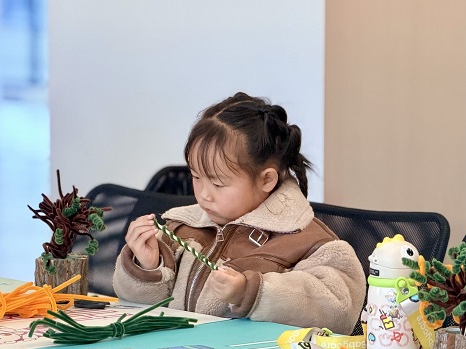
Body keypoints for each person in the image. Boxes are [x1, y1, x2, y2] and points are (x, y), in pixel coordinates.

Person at [113, 92, 366, 335]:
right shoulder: (181, 226)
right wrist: (148, 267)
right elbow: (143, 308)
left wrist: (252, 292)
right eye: (196, 177)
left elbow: (339, 309)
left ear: (266, 180)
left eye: (218, 183)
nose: (204, 194)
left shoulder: (310, 243)